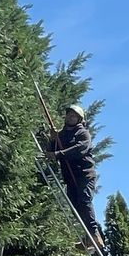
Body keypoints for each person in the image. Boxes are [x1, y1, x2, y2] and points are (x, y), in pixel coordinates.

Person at [49, 101, 103, 245]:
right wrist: (53, 139)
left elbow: (79, 149)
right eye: (69, 115)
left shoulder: (83, 133)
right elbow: (51, 153)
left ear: (79, 119)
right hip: (70, 177)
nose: (70, 118)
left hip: (84, 174)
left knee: (84, 200)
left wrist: (58, 153)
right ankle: (87, 238)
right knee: (75, 206)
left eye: (74, 116)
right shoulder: (61, 135)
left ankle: (94, 234)